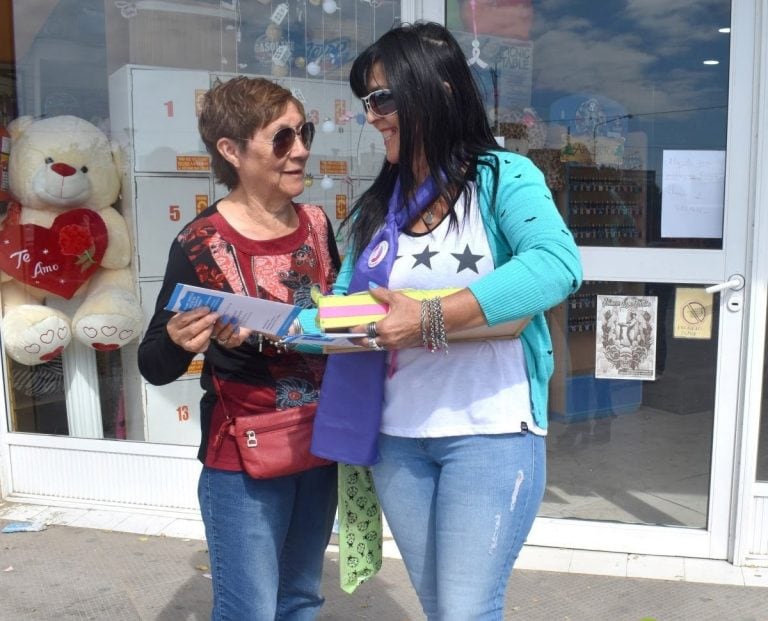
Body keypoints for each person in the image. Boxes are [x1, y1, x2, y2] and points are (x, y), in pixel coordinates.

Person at [311, 22, 583, 620]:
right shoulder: (380, 206)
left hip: (489, 431)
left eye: (382, 98)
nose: (371, 115)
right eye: (366, 102)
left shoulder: (500, 178)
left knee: (465, 610)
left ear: (437, 91)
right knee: (440, 608)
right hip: (397, 438)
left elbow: (555, 266)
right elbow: (345, 303)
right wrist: (288, 324)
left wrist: (429, 316)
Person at [138, 76, 339, 621]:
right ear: (231, 150)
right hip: (244, 459)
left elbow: (336, 321)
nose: (300, 150)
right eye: (281, 139)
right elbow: (153, 362)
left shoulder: (318, 226)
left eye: (305, 132)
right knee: (248, 609)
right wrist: (181, 342)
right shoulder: (199, 242)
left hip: (320, 444)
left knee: (301, 598)